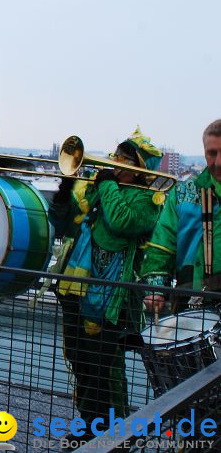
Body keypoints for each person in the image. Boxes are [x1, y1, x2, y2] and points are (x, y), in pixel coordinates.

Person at [49, 127, 164, 446]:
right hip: (75, 286)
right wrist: (65, 189)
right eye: (115, 156)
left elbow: (121, 222)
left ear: (139, 167)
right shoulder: (98, 189)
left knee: (105, 364)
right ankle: (90, 423)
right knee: (79, 356)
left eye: (122, 159)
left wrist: (109, 185)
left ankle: (117, 430)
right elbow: (63, 224)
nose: (114, 162)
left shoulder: (149, 200)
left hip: (111, 296)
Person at [142, 119, 221, 308]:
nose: (219, 162)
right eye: (212, 153)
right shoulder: (182, 193)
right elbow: (162, 246)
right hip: (190, 305)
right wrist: (156, 289)